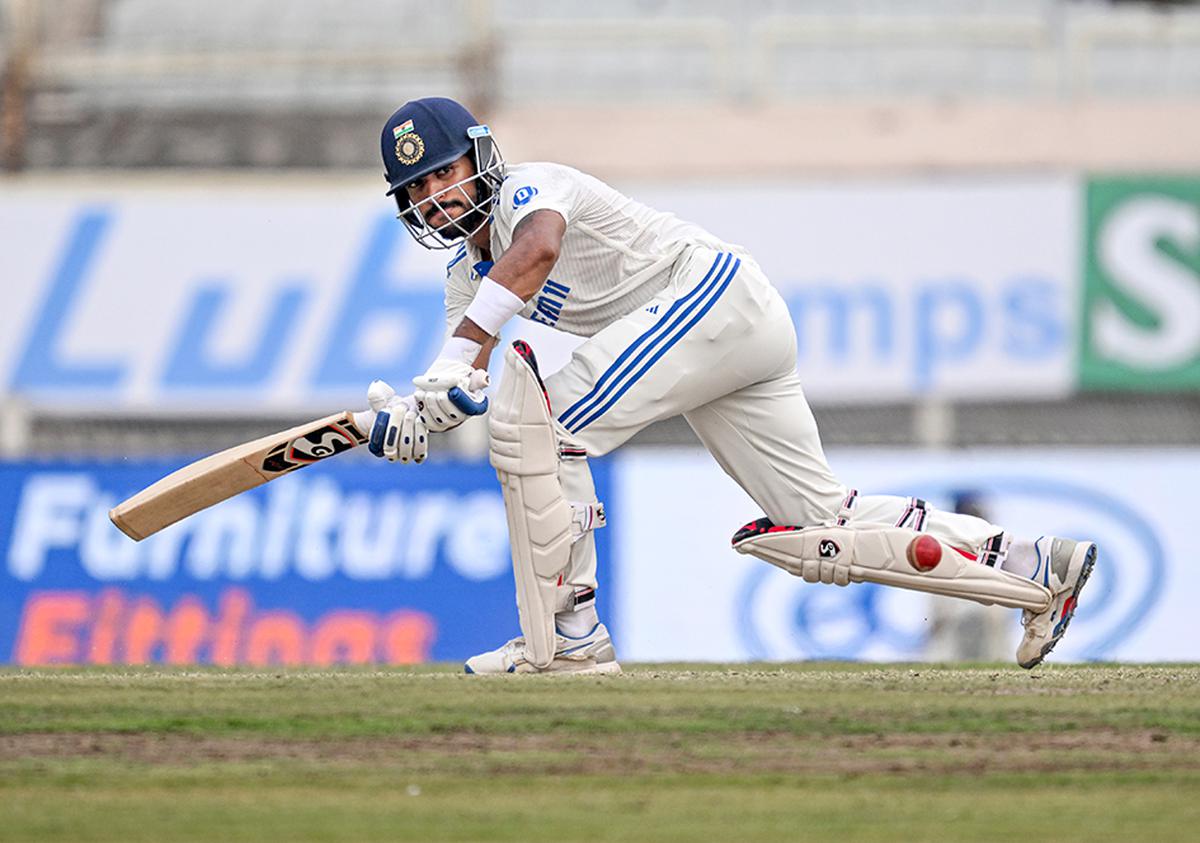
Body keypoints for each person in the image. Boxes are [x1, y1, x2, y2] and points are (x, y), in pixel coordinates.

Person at [366, 96, 1096, 674]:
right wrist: (414, 417)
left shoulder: (533, 186)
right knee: (821, 520)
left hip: (711, 298)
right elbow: (461, 373)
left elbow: (536, 250)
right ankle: (1034, 564)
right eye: (418, 188)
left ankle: (571, 637)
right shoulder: (466, 276)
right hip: (728, 330)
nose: (435, 196)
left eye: (443, 172)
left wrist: (458, 359)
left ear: (480, 158)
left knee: (545, 425)